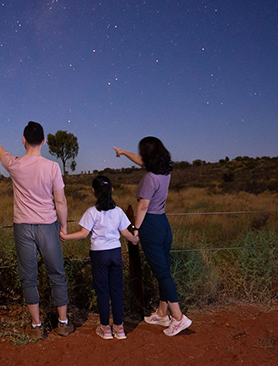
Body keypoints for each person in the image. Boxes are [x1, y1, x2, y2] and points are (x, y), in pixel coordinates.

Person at [0, 121, 74, 339]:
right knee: (57, 274)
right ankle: (63, 323)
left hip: (23, 227)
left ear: (23, 140)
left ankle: (36, 327)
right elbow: (60, 202)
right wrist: (63, 227)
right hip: (48, 226)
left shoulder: (14, 164)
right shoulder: (52, 167)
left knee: (29, 278)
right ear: (44, 141)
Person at [113, 137, 192, 336]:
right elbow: (141, 161)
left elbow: (143, 206)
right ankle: (162, 313)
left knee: (162, 274)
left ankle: (179, 318)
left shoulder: (150, 178)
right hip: (163, 224)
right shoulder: (164, 171)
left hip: (150, 225)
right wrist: (123, 152)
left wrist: (136, 228)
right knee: (163, 269)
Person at [60, 175, 139, 340]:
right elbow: (125, 233)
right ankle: (119, 328)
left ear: (93, 191)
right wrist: (135, 239)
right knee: (116, 291)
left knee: (102, 291)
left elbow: (83, 234)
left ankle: (105, 328)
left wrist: (65, 237)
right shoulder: (118, 211)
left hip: (99, 255)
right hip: (115, 253)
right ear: (112, 190)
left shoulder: (92, 212)